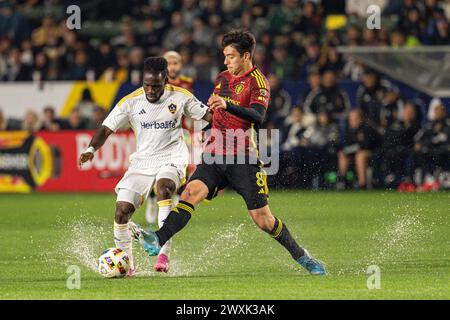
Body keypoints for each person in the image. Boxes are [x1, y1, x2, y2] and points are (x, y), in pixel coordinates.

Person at [134, 30, 326, 275]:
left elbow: (258, 116)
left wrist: (228, 105)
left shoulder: (258, 82)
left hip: (243, 158)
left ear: (246, 56)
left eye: (231, 56)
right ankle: (158, 239)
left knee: (263, 220)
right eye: (225, 56)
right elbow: (217, 111)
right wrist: (209, 123)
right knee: (191, 193)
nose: (226, 62)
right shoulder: (222, 78)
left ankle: (302, 256)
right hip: (214, 153)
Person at [78, 57, 211, 275]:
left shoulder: (181, 97)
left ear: (166, 80)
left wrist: (224, 115)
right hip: (142, 161)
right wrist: (91, 150)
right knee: (121, 211)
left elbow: (209, 116)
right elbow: (105, 129)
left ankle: (163, 255)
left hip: (172, 156)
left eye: (156, 86)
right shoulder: (130, 102)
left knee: (164, 187)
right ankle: (127, 265)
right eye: (146, 84)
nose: (150, 90)